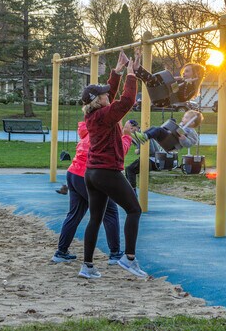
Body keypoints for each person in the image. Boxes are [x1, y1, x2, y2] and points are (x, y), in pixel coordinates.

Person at [79, 51, 148, 279]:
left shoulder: (94, 115)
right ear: (98, 101)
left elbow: (109, 92)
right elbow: (126, 101)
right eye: (103, 95)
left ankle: (87, 266)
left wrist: (116, 72)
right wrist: (131, 75)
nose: (107, 95)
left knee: (95, 219)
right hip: (107, 172)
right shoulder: (105, 116)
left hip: (92, 173)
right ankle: (128, 259)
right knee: (134, 209)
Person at [51, 119, 138, 266]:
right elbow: (118, 152)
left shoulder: (91, 127)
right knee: (109, 211)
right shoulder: (106, 130)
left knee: (75, 214)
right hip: (88, 174)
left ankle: (61, 251)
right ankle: (115, 253)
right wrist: (127, 136)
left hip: (73, 172)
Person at [134, 58, 205, 107]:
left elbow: (182, 97)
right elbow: (174, 87)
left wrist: (187, 83)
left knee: (153, 79)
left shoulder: (192, 88)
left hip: (162, 100)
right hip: (159, 95)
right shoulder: (182, 81)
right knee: (149, 79)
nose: (183, 73)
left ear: (196, 74)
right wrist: (175, 80)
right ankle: (131, 66)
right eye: (184, 71)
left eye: (187, 71)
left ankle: (137, 67)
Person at [131, 110, 204, 151]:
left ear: (192, 122)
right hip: (168, 139)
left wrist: (184, 140)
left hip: (171, 144)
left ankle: (144, 136)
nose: (183, 118)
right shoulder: (182, 126)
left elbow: (190, 144)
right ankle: (140, 137)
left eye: (186, 117)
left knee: (158, 130)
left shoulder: (191, 132)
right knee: (154, 128)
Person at [124, 129, 162, 193]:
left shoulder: (140, 135)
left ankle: (132, 190)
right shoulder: (145, 133)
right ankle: (130, 189)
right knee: (128, 169)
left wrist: (138, 150)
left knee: (129, 169)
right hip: (155, 160)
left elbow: (151, 150)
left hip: (151, 160)